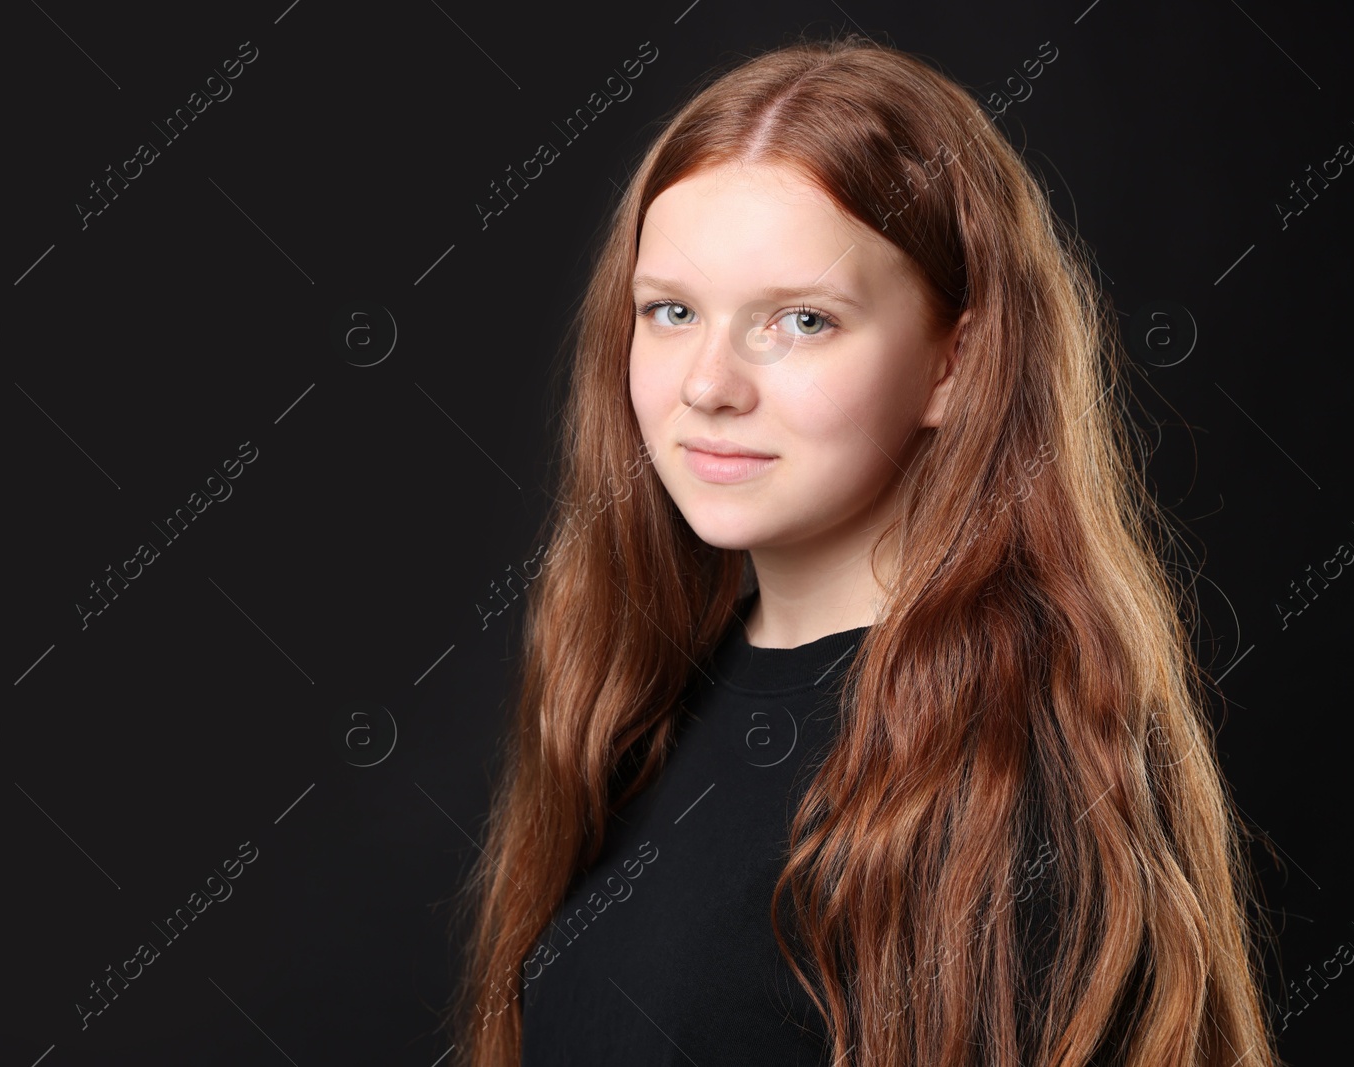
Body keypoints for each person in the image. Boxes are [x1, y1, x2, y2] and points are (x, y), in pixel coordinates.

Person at [448, 32, 1280, 1067]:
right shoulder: (635, 697)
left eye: (799, 319)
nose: (707, 383)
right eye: (670, 311)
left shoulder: (1014, 785)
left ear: (953, 361)